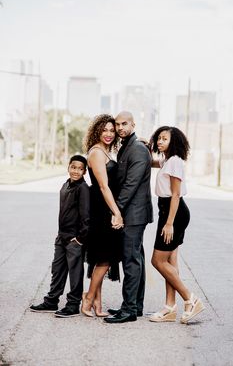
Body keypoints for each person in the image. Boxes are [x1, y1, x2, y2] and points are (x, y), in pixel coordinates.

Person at [148, 126, 205, 324]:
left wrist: (169, 223)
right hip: (169, 211)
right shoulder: (167, 160)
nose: (160, 142)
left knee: (158, 261)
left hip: (174, 213)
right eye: (159, 139)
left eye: (164, 139)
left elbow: (175, 194)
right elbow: (151, 161)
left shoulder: (174, 162)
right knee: (170, 262)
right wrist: (146, 145)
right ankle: (169, 307)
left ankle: (190, 298)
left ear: (175, 142)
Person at [104, 111, 153, 324]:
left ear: (133, 124)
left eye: (124, 124)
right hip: (132, 213)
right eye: (118, 124)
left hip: (134, 214)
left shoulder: (138, 149)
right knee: (137, 259)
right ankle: (135, 306)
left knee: (131, 261)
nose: (120, 128)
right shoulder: (128, 146)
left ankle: (129, 310)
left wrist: (116, 211)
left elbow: (131, 185)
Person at [30, 155, 90, 318]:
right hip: (61, 237)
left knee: (75, 273)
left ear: (85, 171)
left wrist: (79, 239)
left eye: (80, 168)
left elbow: (86, 217)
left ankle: (73, 305)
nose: (76, 171)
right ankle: (51, 301)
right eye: (73, 167)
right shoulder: (66, 184)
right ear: (68, 167)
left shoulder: (83, 188)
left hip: (74, 239)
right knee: (57, 270)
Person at [81, 114, 123, 317]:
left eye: (111, 130)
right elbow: (104, 187)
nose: (108, 134)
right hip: (101, 211)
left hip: (105, 208)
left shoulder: (106, 151)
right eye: (104, 130)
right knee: (105, 259)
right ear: (96, 131)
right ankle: (88, 298)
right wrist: (117, 213)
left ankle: (97, 304)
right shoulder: (97, 153)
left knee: (101, 259)